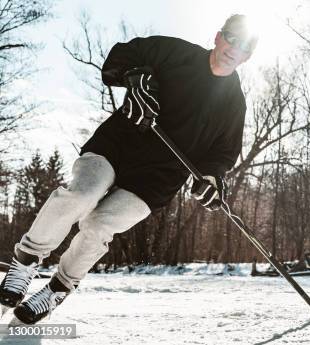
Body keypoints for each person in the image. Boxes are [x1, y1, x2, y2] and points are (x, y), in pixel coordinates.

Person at [0, 14, 257, 324]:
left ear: (247, 56)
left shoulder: (234, 104)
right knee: (82, 194)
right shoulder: (175, 52)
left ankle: (58, 288)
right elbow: (124, 54)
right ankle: (25, 262)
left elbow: (224, 153)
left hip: (158, 178)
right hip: (118, 145)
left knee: (100, 225)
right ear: (218, 37)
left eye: (244, 46)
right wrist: (135, 78)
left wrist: (211, 178)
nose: (234, 48)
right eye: (231, 38)